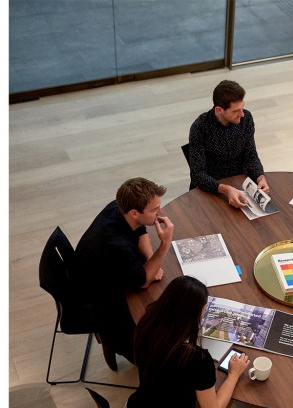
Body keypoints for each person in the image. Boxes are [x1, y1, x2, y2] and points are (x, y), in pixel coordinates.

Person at [119, 275, 250, 408]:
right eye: (204, 309)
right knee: (224, 401)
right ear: (192, 314)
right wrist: (234, 374)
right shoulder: (197, 359)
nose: (205, 312)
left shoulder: (147, 323)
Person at [72, 177, 175, 371]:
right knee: (155, 329)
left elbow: (140, 230)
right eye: (154, 210)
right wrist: (164, 245)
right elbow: (143, 281)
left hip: (99, 274)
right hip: (100, 300)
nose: (160, 212)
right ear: (135, 213)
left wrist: (150, 259)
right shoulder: (114, 244)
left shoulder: (120, 205)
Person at [187, 80, 270, 209]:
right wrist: (226, 189)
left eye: (242, 107)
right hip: (212, 188)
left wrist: (260, 176)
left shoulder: (246, 118)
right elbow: (197, 175)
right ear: (219, 110)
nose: (242, 114)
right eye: (235, 111)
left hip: (240, 182)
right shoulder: (199, 128)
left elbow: (251, 155)